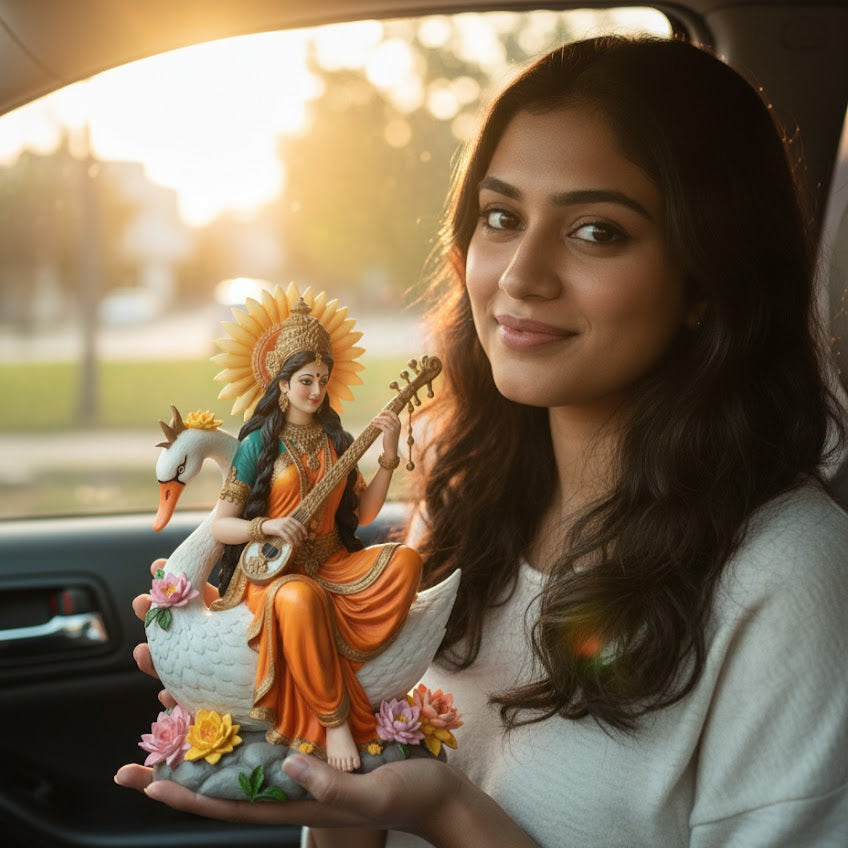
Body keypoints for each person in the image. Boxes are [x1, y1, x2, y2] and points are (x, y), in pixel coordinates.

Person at [116, 35, 848, 847]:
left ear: (708, 281)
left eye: (598, 231)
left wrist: (448, 812)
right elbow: (368, 816)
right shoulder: (462, 512)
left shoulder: (790, 574)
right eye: (501, 218)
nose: (520, 275)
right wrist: (331, 788)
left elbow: (428, 809)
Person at [205, 292, 422, 773]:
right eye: (305, 381)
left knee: (406, 560)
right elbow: (222, 524)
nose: (315, 391)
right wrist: (266, 524)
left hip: (330, 560)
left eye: (322, 380)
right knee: (302, 599)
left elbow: (363, 515)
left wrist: (387, 453)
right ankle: (334, 718)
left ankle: (347, 655)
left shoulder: (337, 442)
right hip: (273, 574)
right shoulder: (258, 445)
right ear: (281, 384)